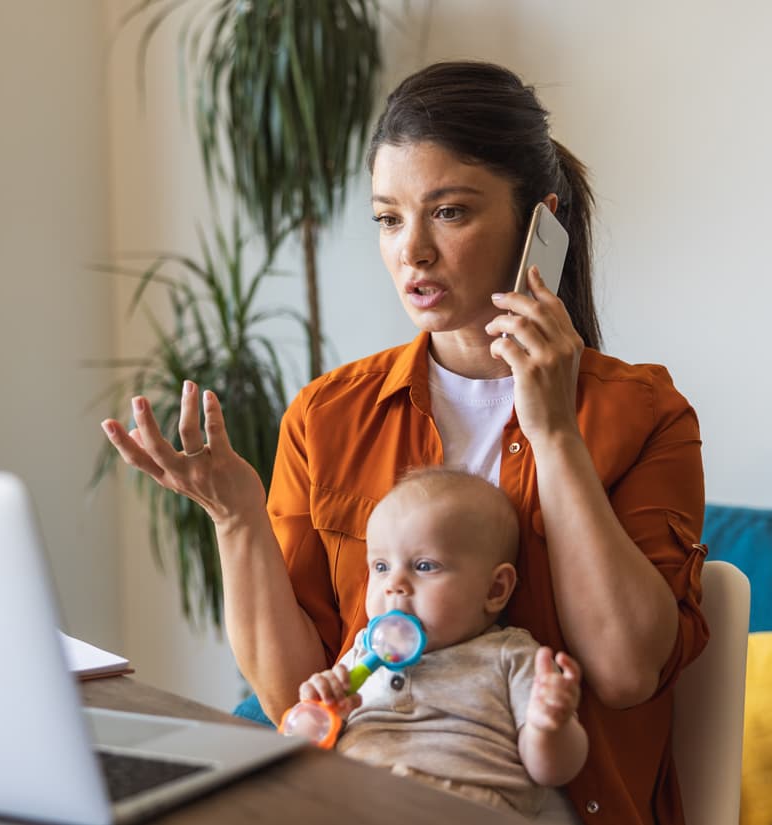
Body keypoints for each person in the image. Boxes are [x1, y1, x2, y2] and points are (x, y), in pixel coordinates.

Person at [102, 60, 708, 825]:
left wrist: (552, 428)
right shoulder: (328, 415)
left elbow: (623, 672)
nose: (411, 250)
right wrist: (236, 517)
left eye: (449, 212)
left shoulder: (648, 414)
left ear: (540, 225)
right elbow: (299, 697)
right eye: (389, 218)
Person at [297, 466, 587, 818]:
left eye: (424, 566)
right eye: (381, 566)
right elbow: (309, 740)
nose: (394, 585)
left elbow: (552, 771)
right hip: (359, 800)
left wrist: (550, 725)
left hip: (465, 807)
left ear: (495, 590)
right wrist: (322, 706)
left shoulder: (511, 656)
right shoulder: (362, 651)